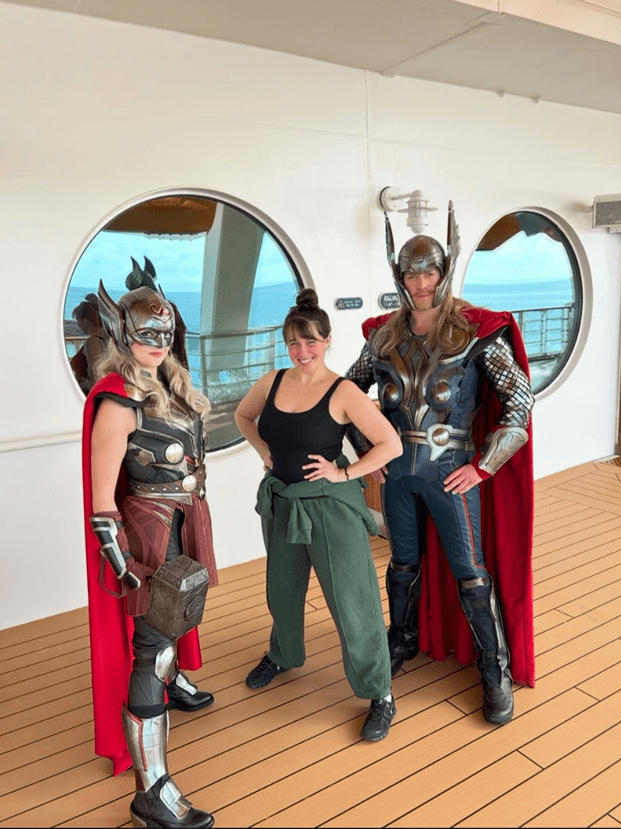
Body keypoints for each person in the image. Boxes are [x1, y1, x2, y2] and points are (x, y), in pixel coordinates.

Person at [345, 205, 535, 726]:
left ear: (444, 272)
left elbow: (520, 401)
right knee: (402, 566)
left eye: (429, 273)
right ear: (398, 276)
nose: (421, 284)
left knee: (470, 574)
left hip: (452, 471)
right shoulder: (382, 337)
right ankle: (402, 638)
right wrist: (365, 453)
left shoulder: (475, 332)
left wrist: (484, 467)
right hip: (397, 476)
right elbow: (347, 396)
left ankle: (494, 668)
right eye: (411, 274)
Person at [82, 265, 218, 828]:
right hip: (148, 531)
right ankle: (152, 792)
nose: (156, 344)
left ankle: (172, 684)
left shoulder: (169, 387)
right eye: (145, 334)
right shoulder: (118, 402)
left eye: (164, 333)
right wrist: (125, 567)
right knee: (152, 650)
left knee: (176, 626)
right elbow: (102, 506)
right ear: (122, 333)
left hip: (184, 519)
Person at [234, 288, 403, 741]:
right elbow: (243, 417)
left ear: (327, 341)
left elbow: (390, 444)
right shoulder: (272, 382)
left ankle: (380, 692)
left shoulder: (343, 391)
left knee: (353, 601)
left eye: (310, 341)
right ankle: (283, 654)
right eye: (293, 342)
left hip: (330, 509)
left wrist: (345, 472)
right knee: (282, 591)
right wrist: (264, 451)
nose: (302, 350)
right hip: (282, 503)